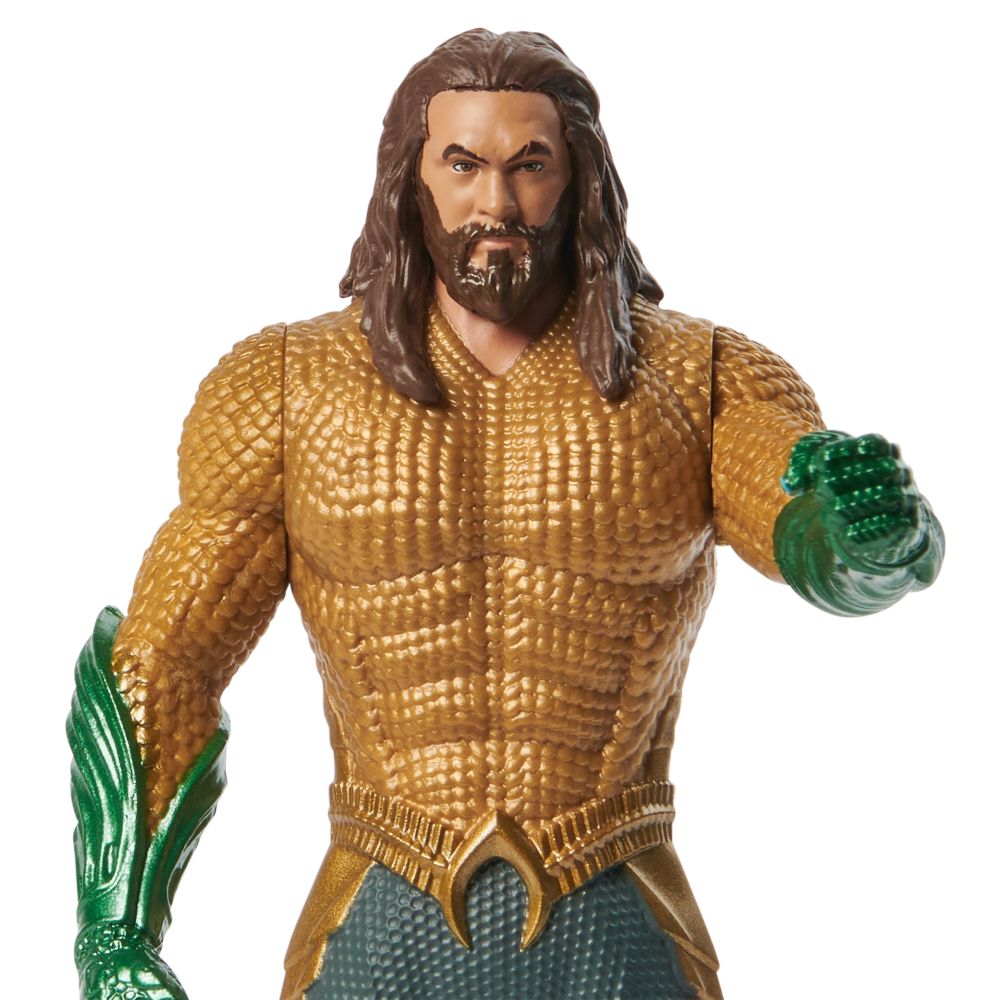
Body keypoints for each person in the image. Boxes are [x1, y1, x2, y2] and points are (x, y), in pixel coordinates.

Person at [67, 28, 945, 1000]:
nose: (496, 201)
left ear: (580, 180)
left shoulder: (697, 376)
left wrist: (868, 531)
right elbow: (167, 657)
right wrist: (115, 935)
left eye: (530, 165)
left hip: (614, 898)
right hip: (379, 902)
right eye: (463, 165)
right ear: (410, 180)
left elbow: (804, 525)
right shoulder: (284, 386)